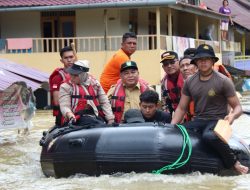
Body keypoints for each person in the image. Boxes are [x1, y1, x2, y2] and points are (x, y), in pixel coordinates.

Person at [171, 44, 249, 174]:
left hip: (217, 120)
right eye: (200, 59)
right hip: (199, 120)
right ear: (195, 62)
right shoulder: (189, 82)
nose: (203, 62)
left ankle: (235, 163)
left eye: (207, 59)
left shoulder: (223, 81)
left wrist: (232, 117)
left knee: (209, 136)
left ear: (213, 61)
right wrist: (171, 127)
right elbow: (181, 108)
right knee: (176, 133)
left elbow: (238, 107)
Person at [59, 60, 115, 125]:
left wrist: (110, 118)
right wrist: (70, 115)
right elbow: (64, 106)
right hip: (76, 119)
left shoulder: (95, 84)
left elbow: (104, 102)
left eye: (75, 75)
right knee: (88, 120)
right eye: (71, 74)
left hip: (95, 117)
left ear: (83, 75)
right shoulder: (66, 86)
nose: (72, 78)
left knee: (94, 121)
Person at [49, 46, 76, 126]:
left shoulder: (81, 75)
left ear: (75, 57)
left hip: (79, 113)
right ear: (62, 60)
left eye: (71, 57)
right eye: (66, 58)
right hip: (63, 115)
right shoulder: (57, 77)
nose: (69, 60)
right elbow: (57, 102)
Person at [160, 51, 184, 116]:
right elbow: (164, 104)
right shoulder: (164, 83)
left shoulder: (187, 76)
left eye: (172, 62)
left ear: (179, 62)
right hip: (177, 116)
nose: (169, 66)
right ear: (163, 67)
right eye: (166, 64)